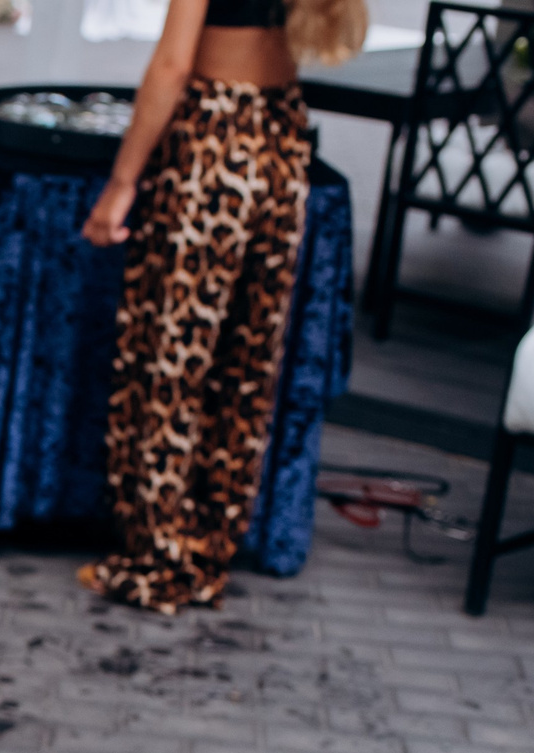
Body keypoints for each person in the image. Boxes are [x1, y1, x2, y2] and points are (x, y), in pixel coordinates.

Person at [78, 0, 364, 612]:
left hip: (211, 141)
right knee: (245, 364)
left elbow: (173, 66)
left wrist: (122, 182)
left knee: (172, 359)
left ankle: (159, 553)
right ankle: (209, 545)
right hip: (281, 135)